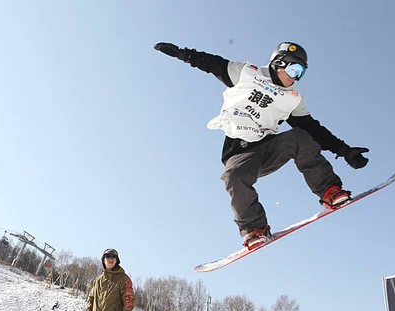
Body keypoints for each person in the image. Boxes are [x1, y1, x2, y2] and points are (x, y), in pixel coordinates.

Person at [154, 41, 370, 249]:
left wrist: (344, 150)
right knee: (233, 177)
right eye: (295, 70)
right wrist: (182, 53)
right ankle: (254, 229)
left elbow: (314, 130)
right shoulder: (248, 74)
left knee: (300, 136)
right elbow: (213, 63)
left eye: (302, 73)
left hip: (268, 150)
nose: (296, 78)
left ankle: (329, 191)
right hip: (239, 153)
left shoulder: (292, 99)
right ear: (279, 63)